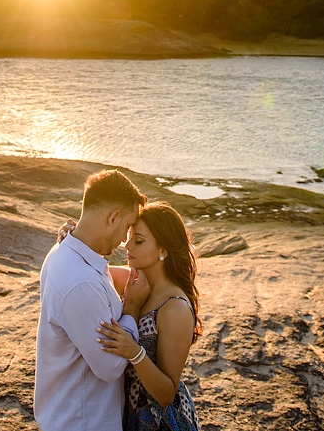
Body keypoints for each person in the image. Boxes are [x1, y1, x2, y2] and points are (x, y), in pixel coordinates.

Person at [35, 170, 150, 431]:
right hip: (83, 422)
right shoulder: (80, 282)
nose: (124, 241)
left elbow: (104, 282)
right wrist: (132, 307)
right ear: (113, 217)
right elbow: (111, 367)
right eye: (127, 227)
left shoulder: (65, 251)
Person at [98, 201, 202, 431]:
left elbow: (167, 393)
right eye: (129, 237)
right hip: (123, 413)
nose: (127, 245)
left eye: (139, 240)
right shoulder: (130, 281)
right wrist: (71, 238)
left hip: (161, 422)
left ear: (163, 250)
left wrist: (134, 352)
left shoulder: (175, 307)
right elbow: (88, 271)